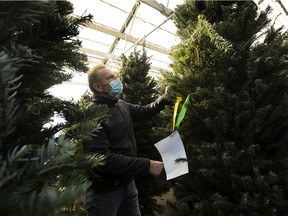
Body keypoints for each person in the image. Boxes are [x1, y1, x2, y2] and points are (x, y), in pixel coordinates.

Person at [82, 63, 171, 216]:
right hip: (105, 193)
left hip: (128, 185)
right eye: (111, 78)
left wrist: (164, 99)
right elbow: (101, 159)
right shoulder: (92, 115)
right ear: (98, 87)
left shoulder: (120, 104)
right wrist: (147, 165)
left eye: (115, 76)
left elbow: (145, 111)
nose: (117, 79)